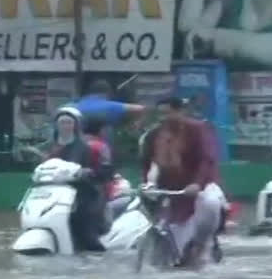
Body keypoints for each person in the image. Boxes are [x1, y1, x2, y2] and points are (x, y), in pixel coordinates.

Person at [141, 114, 223, 267]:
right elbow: (150, 165)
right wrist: (148, 184)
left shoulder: (198, 136)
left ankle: (201, 247)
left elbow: (206, 163)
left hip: (198, 190)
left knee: (210, 203)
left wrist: (196, 184)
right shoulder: (152, 138)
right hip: (171, 193)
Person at [47, 107, 114, 252]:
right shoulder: (50, 146)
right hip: (54, 192)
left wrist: (85, 172)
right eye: (62, 123)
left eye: (68, 123)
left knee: (86, 232)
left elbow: (97, 171)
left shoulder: (84, 147)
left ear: (76, 126)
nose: (65, 126)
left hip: (82, 192)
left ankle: (94, 250)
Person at [74, 79, 147, 149]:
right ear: (107, 94)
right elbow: (141, 108)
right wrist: (134, 125)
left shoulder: (76, 105)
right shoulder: (109, 106)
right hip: (100, 146)